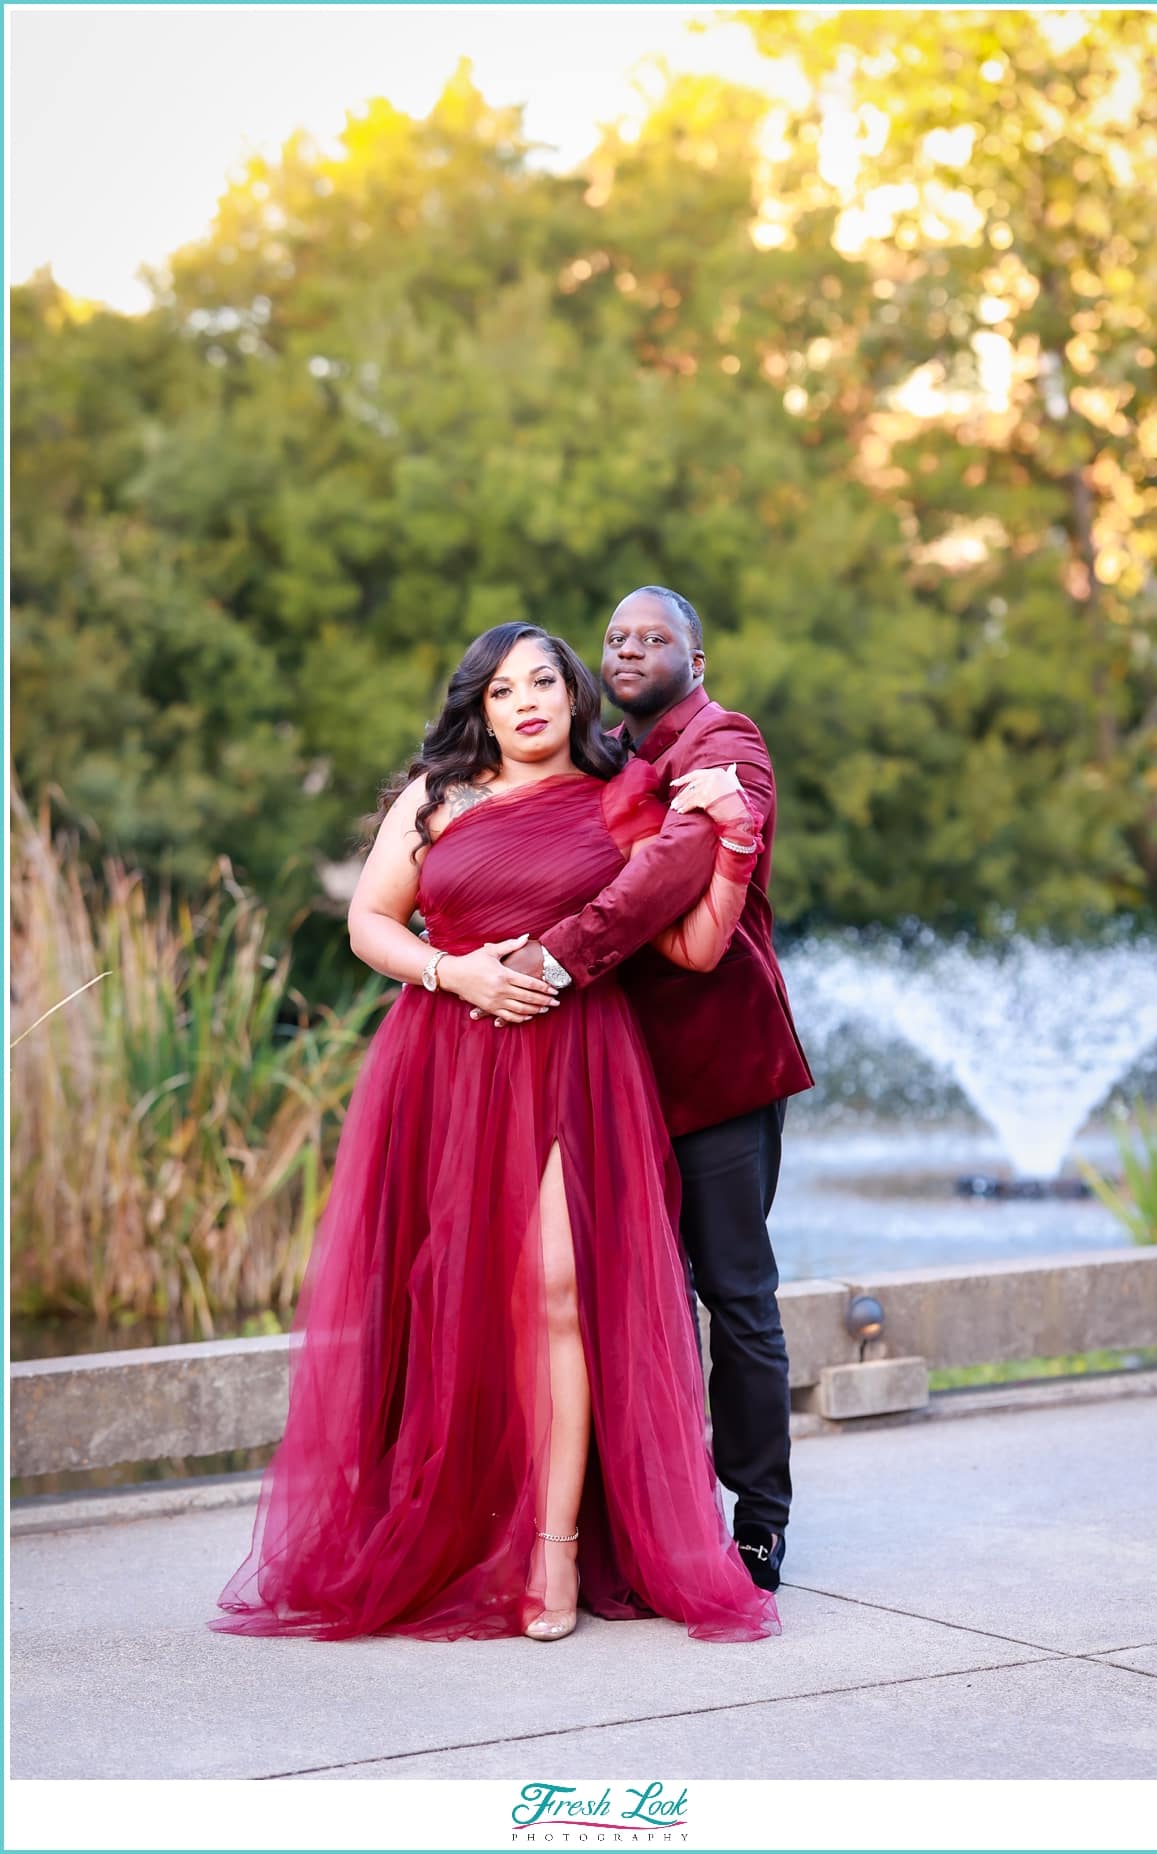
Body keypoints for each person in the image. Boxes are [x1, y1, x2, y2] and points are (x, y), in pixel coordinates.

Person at [211, 622, 779, 1646]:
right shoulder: (436, 801)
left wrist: (733, 841)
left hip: (579, 1064)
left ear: (574, 699)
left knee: (561, 1289)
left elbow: (695, 947)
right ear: (479, 707)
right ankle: (467, 1526)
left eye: (545, 684)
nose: (526, 703)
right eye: (503, 689)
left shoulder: (624, 802)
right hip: (449, 1059)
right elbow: (372, 925)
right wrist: (455, 970)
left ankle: (552, 1547)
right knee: (458, 1295)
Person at [496, 588, 814, 1593]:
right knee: (632, 1305)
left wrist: (548, 962)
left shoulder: (731, 742)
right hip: (611, 1082)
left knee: (736, 1297)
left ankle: (758, 1524)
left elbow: (666, 881)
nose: (630, 649)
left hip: (717, 1078)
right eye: (616, 638)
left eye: (654, 637)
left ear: (698, 655)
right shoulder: (607, 761)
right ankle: (655, 1524)